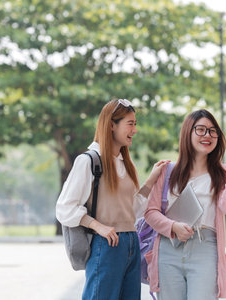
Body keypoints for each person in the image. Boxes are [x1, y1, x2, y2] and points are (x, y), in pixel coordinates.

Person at [56, 98, 169, 300]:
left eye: (135, 124)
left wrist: (152, 180)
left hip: (131, 242)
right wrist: (98, 226)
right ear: (111, 125)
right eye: (130, 124)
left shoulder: (125, 164)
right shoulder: (89, 161)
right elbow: (65, 208)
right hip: (106, 244)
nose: (135, 130)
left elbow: (132, 209)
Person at [144, 109, 226, 300]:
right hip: (168, 249)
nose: (208, 135)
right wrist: (173, 226)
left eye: (213, 131)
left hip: (205, 248)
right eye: (201, 129)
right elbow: (150, 211)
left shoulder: (224, 174)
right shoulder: (167, 171)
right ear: (188, 132)